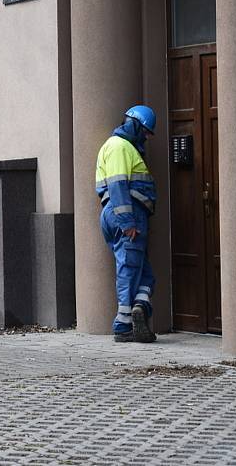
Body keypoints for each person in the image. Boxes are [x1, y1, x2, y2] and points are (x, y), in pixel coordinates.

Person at [95, 105, 158, 343]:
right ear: (135, 125)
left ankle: (140, 307)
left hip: (123, 213)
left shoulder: (122, 147)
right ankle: (123, 326)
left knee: (144, 273)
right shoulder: (119, 147)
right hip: (126, 213)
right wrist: (128, 221)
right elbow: (118, 186)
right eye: (146, 131)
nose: (147, 136)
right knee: (129, 268)